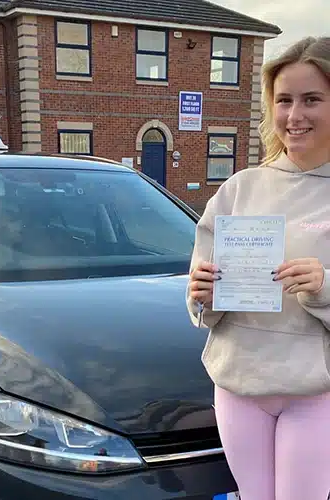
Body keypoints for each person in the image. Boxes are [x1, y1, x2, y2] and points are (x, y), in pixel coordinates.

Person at [187, 36, 330, 500]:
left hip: (316, 392)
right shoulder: (238, 189)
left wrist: (324, 285)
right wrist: (202, 295)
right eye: (284, 100)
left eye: (312, 99)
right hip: (238, 383)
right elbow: (200, 303)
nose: (294, 115)